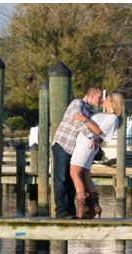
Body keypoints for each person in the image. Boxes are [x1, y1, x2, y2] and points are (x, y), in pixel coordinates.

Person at [69, 93, 124, 219]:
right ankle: (95, 206)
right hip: (88, 143)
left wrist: (83, 118)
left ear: (112, 102)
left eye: (107, 99)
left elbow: (99, 131)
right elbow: (100, 135)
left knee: (74, 173)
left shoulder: (113, 117)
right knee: (84, 174)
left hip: (86, 145)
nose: (104, 100)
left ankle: (82, 207)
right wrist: (96, 139)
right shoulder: (108, 116)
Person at [51, 86, 104, 218]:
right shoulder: (77, 103)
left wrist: (97, 138)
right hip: (62, 145)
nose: (101, 100)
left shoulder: (90, 112)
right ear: (91, 96)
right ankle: (61, 212)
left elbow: (96, 129)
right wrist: (93, 137)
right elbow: (80, 124)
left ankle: (71, 210)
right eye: (99, 97)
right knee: (61, 179)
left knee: (70, 180)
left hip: (74, 149)